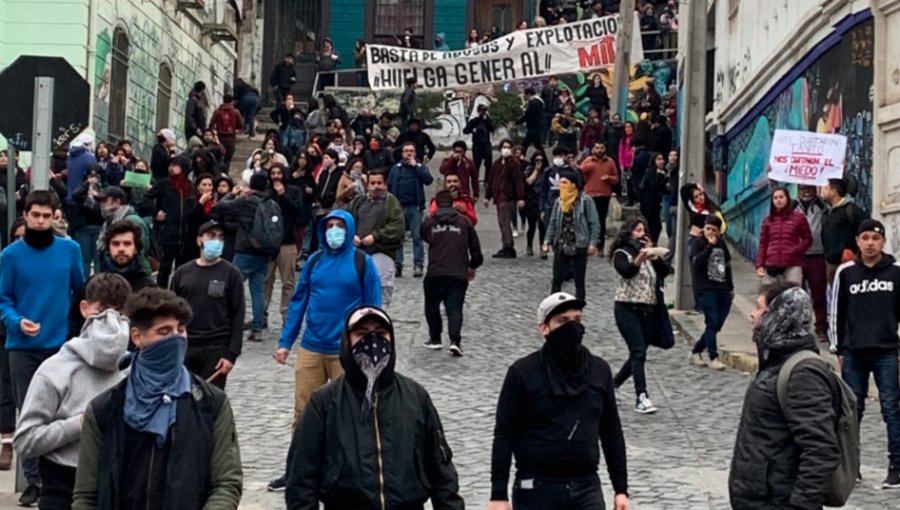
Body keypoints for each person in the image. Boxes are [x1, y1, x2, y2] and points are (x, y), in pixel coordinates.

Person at [71, 288, 242, 509]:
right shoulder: (105, 408)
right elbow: (86, 495)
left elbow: (226, 483)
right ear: (137, 337)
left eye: (180, 330)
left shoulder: (211, 405)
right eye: (164, 332)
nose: (176, 338)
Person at [285, 306, 464, 508]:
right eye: (361, 334)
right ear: (347, 341)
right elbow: (300, 479)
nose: (372, 342)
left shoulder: (416, 398)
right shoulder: (324, 402)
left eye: (380, 333)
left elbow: (442, 474)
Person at [269, 210, 381, 492]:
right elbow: (298, 302)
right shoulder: (315, 262)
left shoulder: (362, 263)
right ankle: (297, 470)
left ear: (349, 229)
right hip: (312, 348)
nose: (333, 231)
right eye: (329, 226)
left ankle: (355, 472)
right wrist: (285, 342)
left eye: (339, 226)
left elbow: (374, 309)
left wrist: (372, 349)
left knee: (353, 412)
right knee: (303, 412)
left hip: (348, 352)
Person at [488, 292, 629, 510]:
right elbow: (504, 433)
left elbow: (611, 431)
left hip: (586, 486)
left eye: (577, 320)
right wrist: (498, 494)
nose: (572, 327)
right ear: (544, 328)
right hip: (536, 486)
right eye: (563, 321)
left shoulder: (599, 370)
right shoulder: (523, 372)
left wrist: (621, 489)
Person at [13, 273, 131, 509]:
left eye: (118, 312)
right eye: (103, 310)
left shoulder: (134, 371)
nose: (111, 321)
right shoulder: (55, 369)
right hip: (62, 487)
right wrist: (79, 423)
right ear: (85, 309)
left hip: (118, 484)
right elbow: (26, 440)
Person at [0, 190, 84, 506]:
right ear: (26, 215)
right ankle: (33, 480)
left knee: (63, 412)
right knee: (30, 414)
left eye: (46, 215)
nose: (40, 221)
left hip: (61, 347)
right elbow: (3, 298)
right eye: (35, 215)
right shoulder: (10, 255)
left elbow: (81, 293)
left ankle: (60, 479)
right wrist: (15, 321)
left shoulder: (70, 250)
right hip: (22, 346)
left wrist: (75, 332)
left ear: (55, 216)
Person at [729, 283, 843, 508]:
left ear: (781, 315)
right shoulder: (775, 361)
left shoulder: (803, 372)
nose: (753, 314)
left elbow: (820, 448)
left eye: (760, 308)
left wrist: (802, 504)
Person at [830, 219, 900, 487]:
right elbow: (837, 310)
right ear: (858, 241)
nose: (870, 243)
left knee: (891, 410)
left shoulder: (895, 272)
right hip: (854, 353)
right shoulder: (846, 273)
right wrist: (837, 346)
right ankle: (851, 467)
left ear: (883, 241)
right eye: (865, 237)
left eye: (875, 238)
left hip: (886, 352)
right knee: (851, 412)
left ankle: (896, 468)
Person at [170, 220, 244, 390]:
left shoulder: (231, 273)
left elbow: (238, 313)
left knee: (210, 398)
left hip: (216, 347)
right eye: (211, 236)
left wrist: (231, 354)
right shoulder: (183, 272)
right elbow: (171, 311)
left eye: (220, 237)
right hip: (186, 345)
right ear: (199, 240)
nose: (216, 241)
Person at [610, 218, 670, 414]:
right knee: (638, 351)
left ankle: (612, 385)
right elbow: (626, 272)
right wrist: (639, 260)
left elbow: (664, 272)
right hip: (627, 309)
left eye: (643, 230)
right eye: (637, 231)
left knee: (638, 353)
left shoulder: (649, 255)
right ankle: (641, 396)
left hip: (648, 310)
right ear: (628, 233)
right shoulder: (622, 253)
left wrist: (654, 254)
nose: (641, 234)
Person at [212, 173, 277, 342]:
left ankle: (217, 320)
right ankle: (257, 327)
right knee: (257, 290)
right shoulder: (270, 203)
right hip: (263, 252)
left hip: (245, 251)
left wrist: (232, 193)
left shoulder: (247, 201)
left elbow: (220, 206)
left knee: (225, 283)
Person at [420, 190, 483, 356]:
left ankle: (435, 338)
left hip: (436, 271)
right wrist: (472, 265)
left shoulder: (430, 222)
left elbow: (423, 235)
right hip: (458, 273)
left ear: (437, 204)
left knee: (431, 306)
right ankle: (455, 341)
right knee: (454, 309)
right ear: (452, 204)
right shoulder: (465, 222)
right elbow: (476, 249)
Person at [346, 169, 405, 308]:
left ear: (385, 184)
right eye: (373, 183)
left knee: (380, 292)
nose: (376, 186)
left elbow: (398, 228)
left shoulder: (392, 203)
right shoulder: (357, 202)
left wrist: (376, 236)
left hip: (382, 252)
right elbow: (346, 220)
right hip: (358, 253)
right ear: (367, 185)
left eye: (379, 183)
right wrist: (351, 235)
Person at [543, 169, 602, 300]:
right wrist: (547, 240)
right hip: (561, 244)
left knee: (579, 280)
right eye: (561, 183)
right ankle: (554, 305)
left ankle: (579, 305)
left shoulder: (585, 201)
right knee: (557, 279)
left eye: (565, 182)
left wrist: (593, 243)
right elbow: (553, 222)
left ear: (574, 184)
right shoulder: (559, 202)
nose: (561, 186)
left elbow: (594, 223)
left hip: (579, 245)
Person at [141, 156, 197, 288]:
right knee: (164, 268)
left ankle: (179, 293)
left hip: (184, 234)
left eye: (175, 165)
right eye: (170, 165)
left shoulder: (190, 187)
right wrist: (156, 212)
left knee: (182, 269)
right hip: (167, 233)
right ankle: (161, 293)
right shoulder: (164, 184)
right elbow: (146, 199)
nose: (171, 168)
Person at [687, 215, 733, 370]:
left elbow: (727, 265)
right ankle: (713, 356)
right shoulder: (698, 243)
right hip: (705, 289)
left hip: (722, 288)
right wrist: (709, 247)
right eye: (708, 229)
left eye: (714, 230)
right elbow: (696, 263)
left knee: (716, 324)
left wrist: (731, 287)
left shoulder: (722, 244)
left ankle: (696, 351)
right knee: (712, 322)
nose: (710, 233)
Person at [264, 164, 306, 324]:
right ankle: (262, 313)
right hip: (268, 244)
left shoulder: (294, 191)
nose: (276, 176)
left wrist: (283, 196)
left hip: (287, 242)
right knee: (266, 280)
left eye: (278, 173)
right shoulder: (267, 193)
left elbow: (298, 212)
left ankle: (286, 314)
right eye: (273, 173)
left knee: (288, 281)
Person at [388, 142, 434, 277]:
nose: (408, 153)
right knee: (398, 237)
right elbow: (390, 185)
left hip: (415, 206)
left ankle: (418, 264)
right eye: (406, 151)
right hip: (398, 207)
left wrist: (417, 166)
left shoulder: (419, 167)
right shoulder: (396, 169)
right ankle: (397, 264)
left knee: (417, 237)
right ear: (402, 153)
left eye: (411, 151)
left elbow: (428, 180)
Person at [755, 186, 812, 286]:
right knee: (771, 298)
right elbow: (763, 244)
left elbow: (808, 239)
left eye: (781, 197)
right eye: (775, 198)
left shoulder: (799, 218)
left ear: (787, 198)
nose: (778, 200)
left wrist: (796, 250)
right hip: (772, 265)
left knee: (793, 296)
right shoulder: (768, 221)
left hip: (793, 264)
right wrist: (760, 264)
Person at [796, 184, 829, 339]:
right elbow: (775, 201)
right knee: (797, 294)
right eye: (803, 188)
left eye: (809, 188)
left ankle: (821, 327)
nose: (806, 191)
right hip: (798, 256)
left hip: (818, 254)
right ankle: (799, 327)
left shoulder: (823, 205)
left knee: (818, 293)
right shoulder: (792, 205)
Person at [822, 177, 867, 285]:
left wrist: (855, 251)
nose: (822, 191)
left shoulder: (851, 210)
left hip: (847, 262)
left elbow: (865, 232)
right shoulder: (826, 212)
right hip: (830, 263)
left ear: (833, 191)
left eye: (825, 188)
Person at [96, 186, 151, 274]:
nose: (102, 205)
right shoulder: (109, 221)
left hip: (134, 274)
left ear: (117, 202)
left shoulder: (133, 221)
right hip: (113, 272)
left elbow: (141, 250)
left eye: (105, 201)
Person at [485, 139, 525, 259]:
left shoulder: (514, 164)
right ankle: (506, 245)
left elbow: (518, 182)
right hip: (499, 197)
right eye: (504, 147)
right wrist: (487, 196)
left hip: (508, 197)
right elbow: (491, 180)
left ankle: (508, 247)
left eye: (508, 147)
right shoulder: (497, 163)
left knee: (506, 223)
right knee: (502, 223)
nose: (505, 149)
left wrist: (520, 197)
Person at [97, 220, 156, 292]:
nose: (121, 249)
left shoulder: (148, 287)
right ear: (108, 248)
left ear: (136, 249)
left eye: (127, 244)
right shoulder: (95, 286)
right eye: (116, 244)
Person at [579, 142, 619, 249]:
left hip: (604, 195)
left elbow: (616, 179)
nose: (599, 150)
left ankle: (600, 246)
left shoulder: (610, 162)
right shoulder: (588, 161)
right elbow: (578, 173)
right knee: (588, 220)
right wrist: (589, 166)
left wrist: (609, 178)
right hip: (590, 195)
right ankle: (587, 244)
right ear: (593, 149)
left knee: (601, 221)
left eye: (601, 148)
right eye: (597, 148)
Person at [639, 152, 670, 243]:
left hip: (656, 203)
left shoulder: (663, 172)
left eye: (662, 159)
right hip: (648, 203)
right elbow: (653, 186)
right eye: (659, 159)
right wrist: (665, 179)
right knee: (655, 226)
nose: (661, 162)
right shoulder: (651, 173)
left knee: (655, 227)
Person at [465, 104, 495, 185]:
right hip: (477, 145)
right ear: (478, 111)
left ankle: (487, 180)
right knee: (476, 164)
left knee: (489, 164)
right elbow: (465, 130)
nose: (483, 112)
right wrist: (473, 130)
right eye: (482, 110)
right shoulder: (474, 120)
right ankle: (475, 181)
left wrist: (487, 120)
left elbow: (493, 128)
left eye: (485, 110)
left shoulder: (488, 120)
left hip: (487, 144)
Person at [517, 88, 545, 155]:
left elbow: (528, 115)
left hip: (534, 127)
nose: (524, 96)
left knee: (536, 145)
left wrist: (518, 122)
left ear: (529, 94)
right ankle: (521, 158)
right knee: (525, 144)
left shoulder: (533, 102)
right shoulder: (539, 101)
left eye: (525, 94)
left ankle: (545, 161)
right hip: (536, 126)